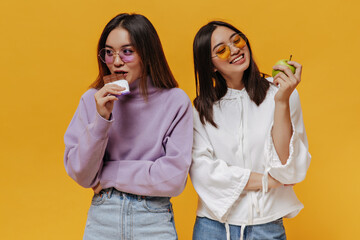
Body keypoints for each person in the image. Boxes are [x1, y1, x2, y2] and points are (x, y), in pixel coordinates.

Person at [63, 13, 193, 240]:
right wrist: (102, 119)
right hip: (103, 216)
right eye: (109, 52)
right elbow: (82, 175)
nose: (116, 61)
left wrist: (108, 175)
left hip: (154, 218)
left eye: (127, 51)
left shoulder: (175, 101)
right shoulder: (92, 99)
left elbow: (173, 179)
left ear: (147, 54)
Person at [190, 21, 311, 240]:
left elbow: (288, 167)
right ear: (211, 66)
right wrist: (269, 181)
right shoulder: (201, 109)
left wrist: (282, 102)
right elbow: (203, 172)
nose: (235, 49)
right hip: (213, 228)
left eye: (237, 40)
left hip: (266, 226)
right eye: (222, 49)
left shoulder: (283, 93)